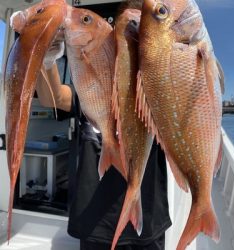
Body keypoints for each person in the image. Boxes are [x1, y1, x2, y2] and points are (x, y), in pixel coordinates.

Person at [36, 34, 171, 250]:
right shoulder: (91, 90)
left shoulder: (156, 95)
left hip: (148, 219)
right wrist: (47, 59)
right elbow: (51, 97)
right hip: (96, 222)